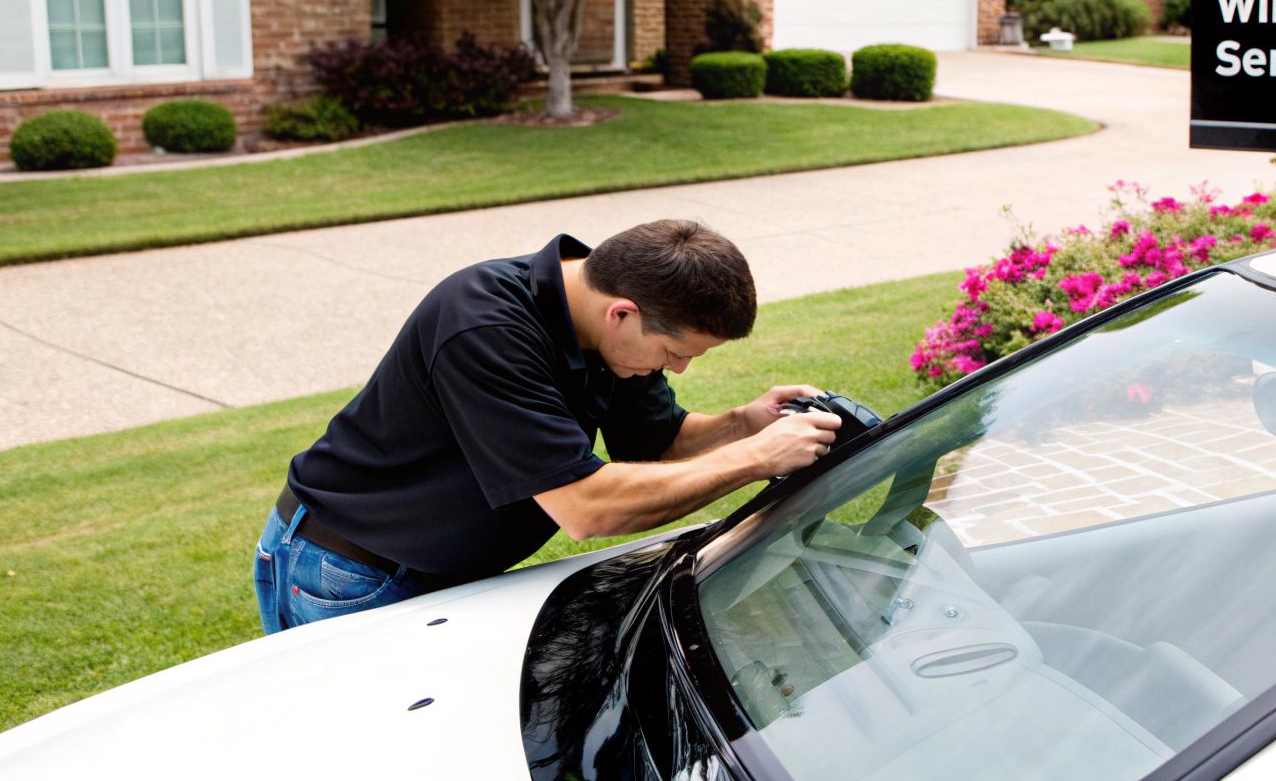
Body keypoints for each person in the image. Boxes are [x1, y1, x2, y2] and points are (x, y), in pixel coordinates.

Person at [254, 220, 840, 633]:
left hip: (444, 568)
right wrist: (758, 458)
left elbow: (658, 443)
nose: (678, 367)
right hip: (349, 571)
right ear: (623, 314)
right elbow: (588, 508)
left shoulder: (611, 332)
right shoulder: (483, 326)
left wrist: (745, 424)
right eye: (673, 351)